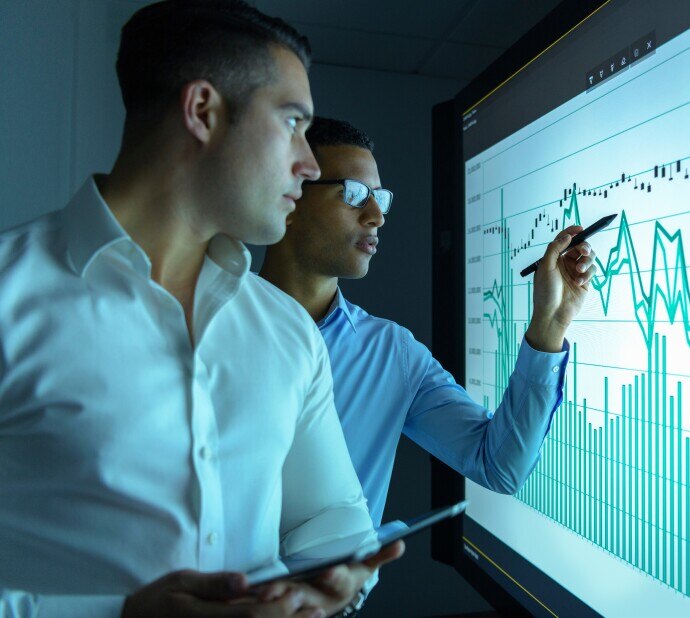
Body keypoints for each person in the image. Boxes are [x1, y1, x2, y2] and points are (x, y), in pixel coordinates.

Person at [0, 3, 400, 617]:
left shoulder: (288, 330)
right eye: (293, 122)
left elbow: (328, 513)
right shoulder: (9, 294)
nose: (310, 164)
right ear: (204, 112)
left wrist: (341, 574)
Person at [260, 118, 596, 595]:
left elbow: (498, 466)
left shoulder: (392, 353)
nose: (377, 215)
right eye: (355, 193)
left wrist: (549, 326)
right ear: (290, 196)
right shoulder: (204, 325)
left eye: (382, 197)